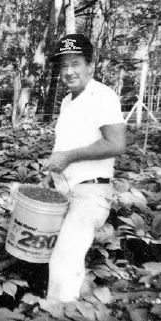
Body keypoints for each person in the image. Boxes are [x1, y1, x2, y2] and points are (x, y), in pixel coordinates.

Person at [44, 34, 126, 302]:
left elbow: (116, 144)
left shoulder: (102, 95)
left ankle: (55, 316)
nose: (68, 71)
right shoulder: (69, 101)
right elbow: (67, 146)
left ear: (91, 65)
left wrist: (69, 157)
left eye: (76, 63)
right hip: (66, 192)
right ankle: (93, 308)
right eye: (64, 65)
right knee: (68, 260)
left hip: (91, 194)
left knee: (63, 263)